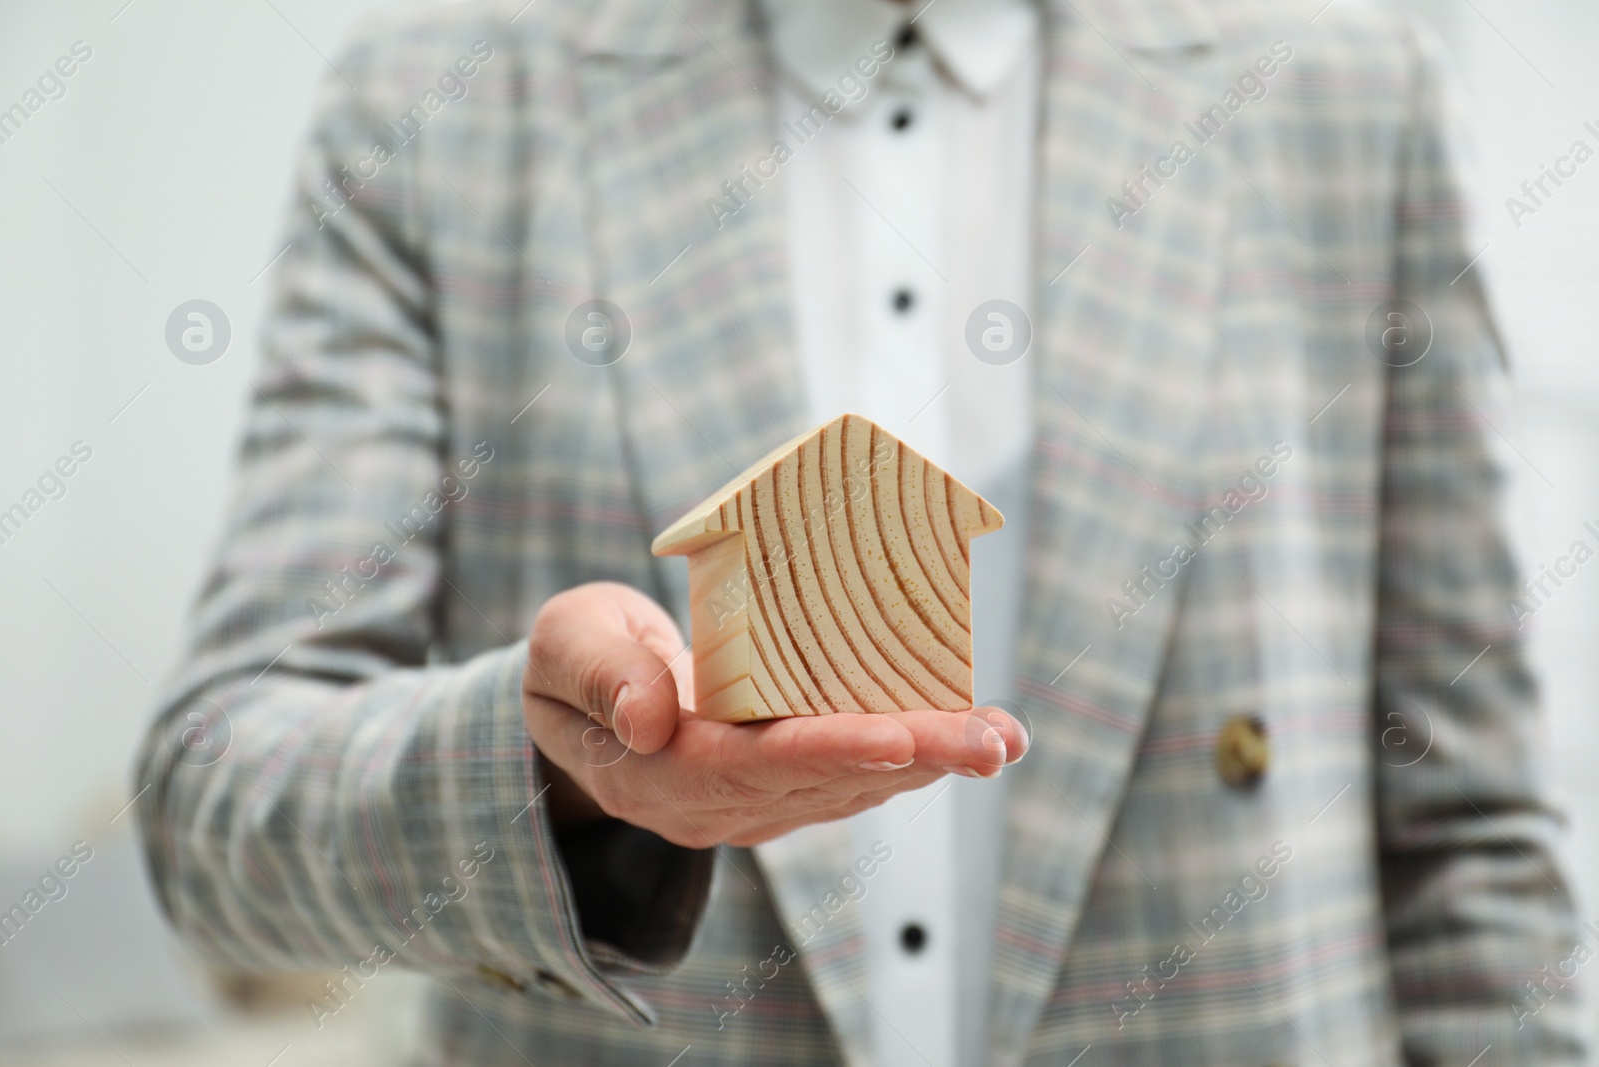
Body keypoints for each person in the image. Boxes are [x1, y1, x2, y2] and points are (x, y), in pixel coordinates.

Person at [134, 0, 1587, 1063]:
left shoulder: (1348, 94)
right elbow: (212, 812)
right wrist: (552, 778)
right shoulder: (435, 112)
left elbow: (1471, 830)